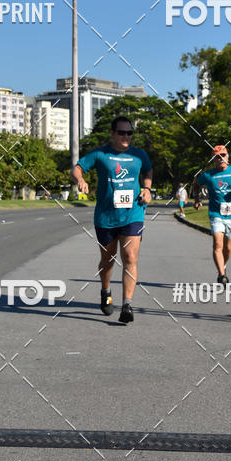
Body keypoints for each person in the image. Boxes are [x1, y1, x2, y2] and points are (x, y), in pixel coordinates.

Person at [70, 116, 153, 324]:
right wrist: (80, 179)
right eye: (122, 133)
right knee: (108, 260)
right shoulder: (100, 154)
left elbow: (148, 169)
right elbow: (77, 168)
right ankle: (105, 292)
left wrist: (147, 188)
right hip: (106, 216)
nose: (126, 137)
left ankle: (127, 304)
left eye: (129, 133)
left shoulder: (139, 154)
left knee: (130, 257)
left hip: (133, 212)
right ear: (113, 134)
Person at [192, 145, 231, 285]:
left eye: (223, 155)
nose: (220, 158)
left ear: (228, 156)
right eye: (217, 156)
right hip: (216, 214)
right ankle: (222, 275)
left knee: (227, 248)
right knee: (217, 244)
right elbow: (196, 184)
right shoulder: (208, 175)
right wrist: (197, 198)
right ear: (213, 159)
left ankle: (223, 266)